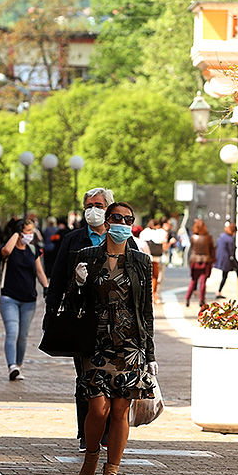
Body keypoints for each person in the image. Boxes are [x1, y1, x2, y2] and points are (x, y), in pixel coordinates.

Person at [71, 202, 157, 475]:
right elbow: (73, 302)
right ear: (107, 221)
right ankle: (91, 456)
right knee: (97, 408)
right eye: (117, 218)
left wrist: (151, 353)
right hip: (95, 343)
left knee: (120, 411)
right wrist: (78, 283)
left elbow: (146, 310)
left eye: (128, 219)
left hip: (130, 344)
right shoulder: (87, 257)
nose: (122, 222)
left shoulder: (141, 261)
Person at [46, 187, 136, 451]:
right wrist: (52, 313)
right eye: (88, 205)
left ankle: (108, 433)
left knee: (115, 383)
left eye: (98, 205)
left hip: (118, 325)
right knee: (86, 379)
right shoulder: (74, 241)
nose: (92, 210)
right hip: (83, 320)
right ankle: (87, 433)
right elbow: (58, 280)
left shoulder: (127, 241)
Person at [0, 218, 49, 381]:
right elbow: (5, 252)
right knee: (12, 331)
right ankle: (11, 366)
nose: (30, 234)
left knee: (23, 335)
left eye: (31, 231)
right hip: (9, 298)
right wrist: (15, 235)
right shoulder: (10, 248)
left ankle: (18, 366)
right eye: (27, 231)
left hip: (29, 300)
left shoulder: (32, 250)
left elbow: (39, 272)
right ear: (19, 232)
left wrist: (46, 287)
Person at [184, 218, 216, 306]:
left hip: (194, 261)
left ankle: (187, 298)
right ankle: (201, 300)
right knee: (203, 282)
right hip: (206, 261)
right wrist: (213, 259)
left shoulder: (193, 237)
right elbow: (212, 249)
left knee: (193, 281)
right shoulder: (208, 238)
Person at [214, 222, 238, 299]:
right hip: (226, 260)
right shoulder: (230, 239)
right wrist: (235, 262)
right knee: (227, 275)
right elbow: (231, 252)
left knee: (224, 275)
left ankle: (219, 291)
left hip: (220, 259)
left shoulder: (222, 236)